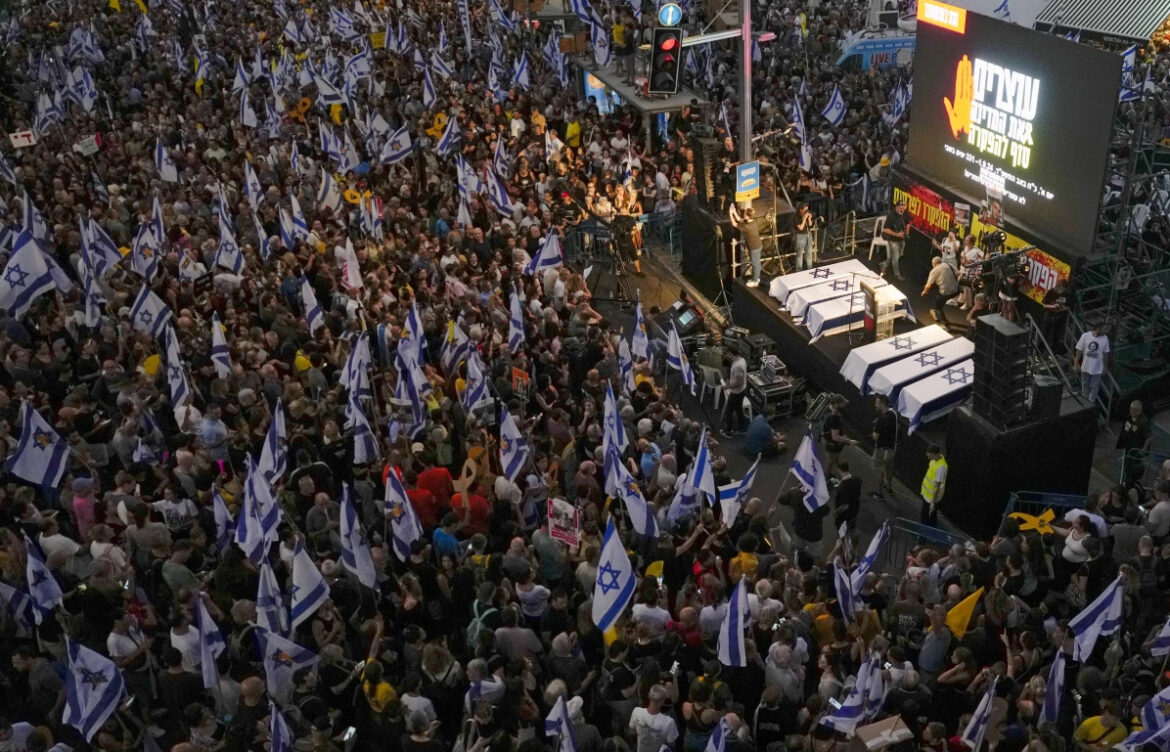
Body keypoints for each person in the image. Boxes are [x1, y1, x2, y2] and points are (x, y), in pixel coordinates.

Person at [868, 394, 898, 500]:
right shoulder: (894, 414)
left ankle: (879, 493)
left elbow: (876, 437)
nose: (875, 405)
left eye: (877, 403)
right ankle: (889, 487)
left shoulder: (881, 420)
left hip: (881, 450)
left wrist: (872, 434)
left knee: (880, 471)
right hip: (892, 449)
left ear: (882, 404)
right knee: (889, 470)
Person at [1073, 319, 1111, 403]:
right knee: (1085, 384)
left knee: (1094, 386)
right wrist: (1076, 364)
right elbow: (1079, 350)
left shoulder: (1105, 339)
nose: (1106, 331)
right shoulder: (1085, 336)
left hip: (1097, 368)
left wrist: (1105, 367)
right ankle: (1085, 401)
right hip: (1086, 366)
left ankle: (1091, 402)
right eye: (1104, 328)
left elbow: (1105, 354)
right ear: (1098, 328)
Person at [921, 257, 960, 332]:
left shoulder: (934, 271)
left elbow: (928, 285)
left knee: (938, 307)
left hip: (946, 293)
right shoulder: (948, 264)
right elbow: (958, 273)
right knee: (939, 295)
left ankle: (945, 324)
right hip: (956, 290)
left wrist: (924, 291)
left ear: (934, 264)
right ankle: (936, 310)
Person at [729, 205, 764, 287]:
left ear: (748, 216)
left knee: (755, 263)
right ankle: (757, 277)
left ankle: (755, 281)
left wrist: (730, 214)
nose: (744, 216)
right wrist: (734, 212)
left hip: (754, 247)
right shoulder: (752, 221)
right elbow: (740, 220)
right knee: (757, 262)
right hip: (758, 245)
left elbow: (735, 224)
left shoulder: (747, 226)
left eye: (745, 214)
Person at [721, 347, 748, 437]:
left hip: (737, 392)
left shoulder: (737, 366)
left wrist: (727, 386)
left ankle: (728, 431)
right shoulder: (742, 360)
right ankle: (742, 428)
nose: (727, 355)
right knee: (739, 410)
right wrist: (729, 379)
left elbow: (738, 383)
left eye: (728, 354)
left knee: (729, 411)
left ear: (731, 354)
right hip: (742, 390)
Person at [919, 445, 948, 527]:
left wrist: (932, 504)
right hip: (927, 496)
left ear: (933, 454)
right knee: (928, 517)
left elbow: (937, 487)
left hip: (931, 499)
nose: (927, 456)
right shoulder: (934, 460)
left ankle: (926, 536)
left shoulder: (941, 468)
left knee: (927, 518)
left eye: (928, 454)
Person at [881, 200, 908, 280]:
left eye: (903, 208)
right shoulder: (891, 216)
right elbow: (885, 229)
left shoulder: (904, 214)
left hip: (901, 239)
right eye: (900, 208)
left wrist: (906, 232)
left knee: (899, 255)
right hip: (893, 239)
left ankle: (884, 264)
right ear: (896, 207)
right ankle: (897, 274)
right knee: (895, 257)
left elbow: (908, 223)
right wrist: (896, 234)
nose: (902, 210)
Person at [793, 203, 815, 271]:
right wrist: (804, 218)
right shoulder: (796, 217)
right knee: (799, 255)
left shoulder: (808, 214)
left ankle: (810, 268)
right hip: (800, 236)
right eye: (805, 210)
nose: (807, 212)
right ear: (800, 210)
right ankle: (798, 270)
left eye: (807, 210)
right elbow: (801, 228)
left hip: (809, 236)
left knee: (809, 253)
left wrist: (809, 218)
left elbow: (811, 225)